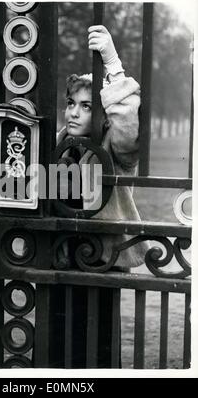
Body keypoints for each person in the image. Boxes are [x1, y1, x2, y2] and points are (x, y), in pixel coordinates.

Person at [55, 25, 149, 368]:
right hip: (60, 255)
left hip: (102, 259)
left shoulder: (116, 144)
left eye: (85, 106)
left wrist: (112, 63)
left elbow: (128, 121)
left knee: (95, 349)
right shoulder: (60, 143)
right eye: (70, 104)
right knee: (57, 343)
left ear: (103, 113)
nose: (74, 112)